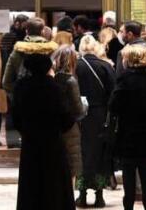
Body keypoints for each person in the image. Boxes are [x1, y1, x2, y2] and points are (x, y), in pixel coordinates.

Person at [13, 53, 76, 210]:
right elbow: (67, 118)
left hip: (30, 143)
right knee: (54, 186)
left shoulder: (21, 87)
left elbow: (15, 118)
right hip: (53, 143)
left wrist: (26, 130)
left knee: (31, 186)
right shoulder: (55, 87)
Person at [110, 45, 146, 210]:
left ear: (129, 59)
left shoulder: (124, 78)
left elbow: (113, 105)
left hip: (128, 132)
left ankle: (128, 205)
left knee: (129, 174)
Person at [75, 35, 115, 208]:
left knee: (83, 154)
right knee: (100, 155)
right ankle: (99, 196)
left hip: (80, 116)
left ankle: (82, 195)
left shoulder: (76, 66)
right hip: (101, 115)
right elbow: (113, 93)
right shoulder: (106, 66)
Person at [52, 46, 85, 192]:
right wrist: (85, 106)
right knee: (71, 167)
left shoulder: (51, 79)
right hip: (70, 129)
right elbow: (78, 110)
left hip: (54, 127)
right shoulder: (71, 81)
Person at [2, 17, 59, 93]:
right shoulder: (51, 50)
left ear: (26, 31)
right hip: (46, 96)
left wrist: (18, 95)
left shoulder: (18, 50)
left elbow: (6, 82)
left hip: (23, 96)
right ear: (42, 31)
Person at [0, 14, 29, 148]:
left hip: (11, 78)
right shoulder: (14, 38)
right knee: (13, 112)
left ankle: (13, 140)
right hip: (14, 79)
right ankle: (13, 140)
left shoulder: (9, 37)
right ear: (18, 23)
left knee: (12, 112)